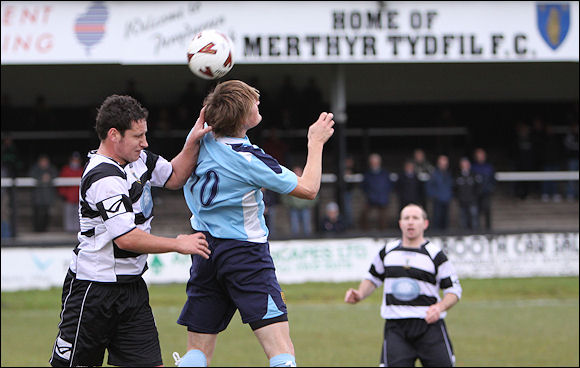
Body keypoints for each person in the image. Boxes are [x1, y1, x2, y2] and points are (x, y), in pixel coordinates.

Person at [175, 80, 334, 367]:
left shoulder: (200, 139)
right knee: (281, 351)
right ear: (243, 117)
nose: (259, 104)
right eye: (254, 103)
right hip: (245, 255)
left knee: (196, 353)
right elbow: (309, 188)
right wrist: (316, 142)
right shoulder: (249, 159)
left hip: (204, 250)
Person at [49, 95, 212, 367]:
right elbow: (126, 239)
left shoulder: (139, 160)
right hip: (94, 290)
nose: (145, 142)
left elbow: (174, 176)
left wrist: (193, 140)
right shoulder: (103, 177)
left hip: (132, 289)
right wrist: (177, 243)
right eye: (138, 136)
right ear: (114, 135)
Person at [344, 204, 462, 367]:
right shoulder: (387, 252)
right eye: (406, 218)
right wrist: (360, 294)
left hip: (429, 326)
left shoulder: (436, 255)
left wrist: (440, 307)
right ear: (400, 223)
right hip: (396, 328)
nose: (410, 222)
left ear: (425, 224)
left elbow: (454, 291)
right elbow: (372, 278)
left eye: (415, 218)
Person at [281, 166, 319, 237]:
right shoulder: (289, 182)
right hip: (293, 208)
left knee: (307, 227)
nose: (297, 174)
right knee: (294, 228)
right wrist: (289, 204)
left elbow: (314, 192)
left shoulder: (306, 182)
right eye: (295, 172)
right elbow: (284, 194)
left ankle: (308, 241)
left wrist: (309, 204)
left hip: (305, 208)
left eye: (298, 172)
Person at [360, 153, 392, 231]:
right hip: (371, 198)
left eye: (376, 162)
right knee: (364, 214)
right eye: (372, 162)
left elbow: (389, 185)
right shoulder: (367, 174)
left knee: (383, 216)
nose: (374, 164)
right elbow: (363, 186)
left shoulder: (385, 173)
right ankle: (366, 233)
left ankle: (383, 233)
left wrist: (384, 195)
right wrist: (370, 194)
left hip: (382, 198)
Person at [28, 153, 59, 232]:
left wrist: (49, 177)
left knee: (46, 214)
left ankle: (44, 229)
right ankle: (37, 229)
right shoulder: (35, 169)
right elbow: (31, 175)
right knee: (37, 213)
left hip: (47, 197)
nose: (44, 163)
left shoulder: (51, 169)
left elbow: (55, 174)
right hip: (37, 197)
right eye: (42, 161)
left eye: (45, 161)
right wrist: (41, 178)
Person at [57, 152, 84, 233]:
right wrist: (63, 194)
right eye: (74, 160)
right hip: (68, 197)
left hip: (79, 198)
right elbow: (61, 183)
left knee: (78, 215)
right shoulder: (66, 169)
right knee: (68, 215)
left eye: (77, 160)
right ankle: (68, 230)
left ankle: (77, 231)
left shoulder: (82, 170)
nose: (75, 162)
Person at [426, 154, 454, 231]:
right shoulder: (434, 174)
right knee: (437, 219)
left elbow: (451, 186)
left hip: (446, 199)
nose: (444, 165)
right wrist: (434, 196)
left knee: (446, 219)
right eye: (442, 163)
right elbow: (429, 187)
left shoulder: (448, 174)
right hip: (438, 200)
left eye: (445, 163)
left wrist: (450, 196)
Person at [471, 148, 496, 230]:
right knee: (476, 212)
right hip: (476, 194)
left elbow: (493, 179)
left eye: (482, 155)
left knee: (487, 211)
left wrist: (491, 188)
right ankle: (476, 229)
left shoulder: (489, 167)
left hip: (486, 192)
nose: (480, 157)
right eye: (479, 156)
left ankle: (488, 229)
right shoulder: (473, 168)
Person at [455, 157, 481, 231]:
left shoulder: (474, 175)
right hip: (462, 201)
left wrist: (474, 197)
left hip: (472, 200)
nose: (465, 165)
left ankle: (475, 233)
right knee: (463, 218)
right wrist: (458, 197)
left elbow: (478, 188)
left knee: (474, 217)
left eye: (466, 163)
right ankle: (464, 233)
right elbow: (455, 188)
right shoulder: (458, 175)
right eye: (463, 164)